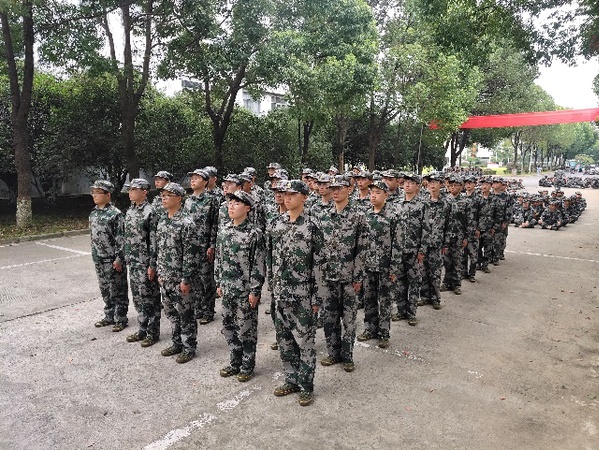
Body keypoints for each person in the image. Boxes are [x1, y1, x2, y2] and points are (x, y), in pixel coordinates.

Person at [266, 179, 324, 407]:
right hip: (281, 294)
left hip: (303, 295)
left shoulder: (312, 226)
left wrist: (317, 297)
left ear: (305, 197)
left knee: (305, 342)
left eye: (292, 194)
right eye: (285, 194)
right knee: (284, 340)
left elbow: (319, 264)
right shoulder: (276, 224)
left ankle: (306, 386)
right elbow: (270, 258)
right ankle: (291, 379)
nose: (287, 198)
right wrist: (272, 287)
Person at [319, 175, 368, 372]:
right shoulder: (323, 216)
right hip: (328, 278)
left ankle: (347, 356)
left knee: (348, 320)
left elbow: (362, 250)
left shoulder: (358, 216)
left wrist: (358, 277)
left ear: (349, 189)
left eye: (339, 188)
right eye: (333, 188)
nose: (335, 191)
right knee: (329, 318)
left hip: (348, 278)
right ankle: (333, 353)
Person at [215, 190, 265, 382]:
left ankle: (247, 364)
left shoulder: (254, 234)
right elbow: (219, 259)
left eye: (237, 203)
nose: (231, 206)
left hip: (245, 291)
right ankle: (235, 361)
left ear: (247, 208)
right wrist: (218, 282)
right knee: (228, 327)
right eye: (230, 203)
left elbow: (258, 265)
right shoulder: (224, 230)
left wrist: (255, 290)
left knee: (246, 329)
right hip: (227, 288)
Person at [152, 182, 200, 364]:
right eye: (162, 196)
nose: (163, 199)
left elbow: (190, 254)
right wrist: (159, 271)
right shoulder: (163, 220)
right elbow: (160, 249)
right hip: (166, 277)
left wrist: (186, 279)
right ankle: (177, 342)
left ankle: (189, 347)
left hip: (180, 278)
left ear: (179, 198)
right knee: (171, 313)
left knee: (185, 314)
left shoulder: (187, 223)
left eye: (168, 196)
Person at [122, 178, 162, 347]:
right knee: (138, 298)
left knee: (150, 299)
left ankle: (153, 332)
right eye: (130, 189)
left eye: (134, 189)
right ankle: (142, 328)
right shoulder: (130, 210)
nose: (130, 192)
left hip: (145, 263)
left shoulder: (150, 212)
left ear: (144, 192)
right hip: (134, 262)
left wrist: (152, 265)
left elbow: (154, 242)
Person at [358, 180, 396, 348]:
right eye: (372, 192)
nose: (373, 196)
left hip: (385, 266)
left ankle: (384, 333)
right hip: (368, 266)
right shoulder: (366, 215)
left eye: (378, 193)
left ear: (386, 195)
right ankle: (370, 328)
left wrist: (394, 267)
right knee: (369, 299)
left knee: (385, 300)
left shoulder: (393, 215)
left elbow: (398, 244)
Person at [89, 180, 129, 332]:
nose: (94, 195)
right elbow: (93, 238)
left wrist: (119, 259)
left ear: (108, 195)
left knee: (118, 290)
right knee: (105, 289)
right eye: (93, 192)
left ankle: (121, 318)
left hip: (112, 260)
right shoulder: (93, 213)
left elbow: (121, 239)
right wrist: (94, 256)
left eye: (98, 192)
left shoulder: (115, 215)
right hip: (99, 259)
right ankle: (109, 315)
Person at [184, 168, 218, 325]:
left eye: (196, 178)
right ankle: (198, 308)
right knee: (194, 278)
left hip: (204, 245)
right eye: (192, 178)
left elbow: (215, 224)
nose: (192, 180)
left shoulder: (211, 200)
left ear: (205, 182)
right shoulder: (187, 201)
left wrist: (212, 245)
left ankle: (208, 311)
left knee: (206, 279)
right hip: (190, 247)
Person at [391, 173, 425, 326]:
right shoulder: (396, 203)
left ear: (417, 186)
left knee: (414, 282)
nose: (407, 185)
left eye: (411, 183)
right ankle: (401, 310)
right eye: (405, 182)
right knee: (399, 282)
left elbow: (426, 228)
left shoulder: (422, 204)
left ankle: (411, 313)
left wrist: (422, 250)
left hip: (414, 251)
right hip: (399, 250)